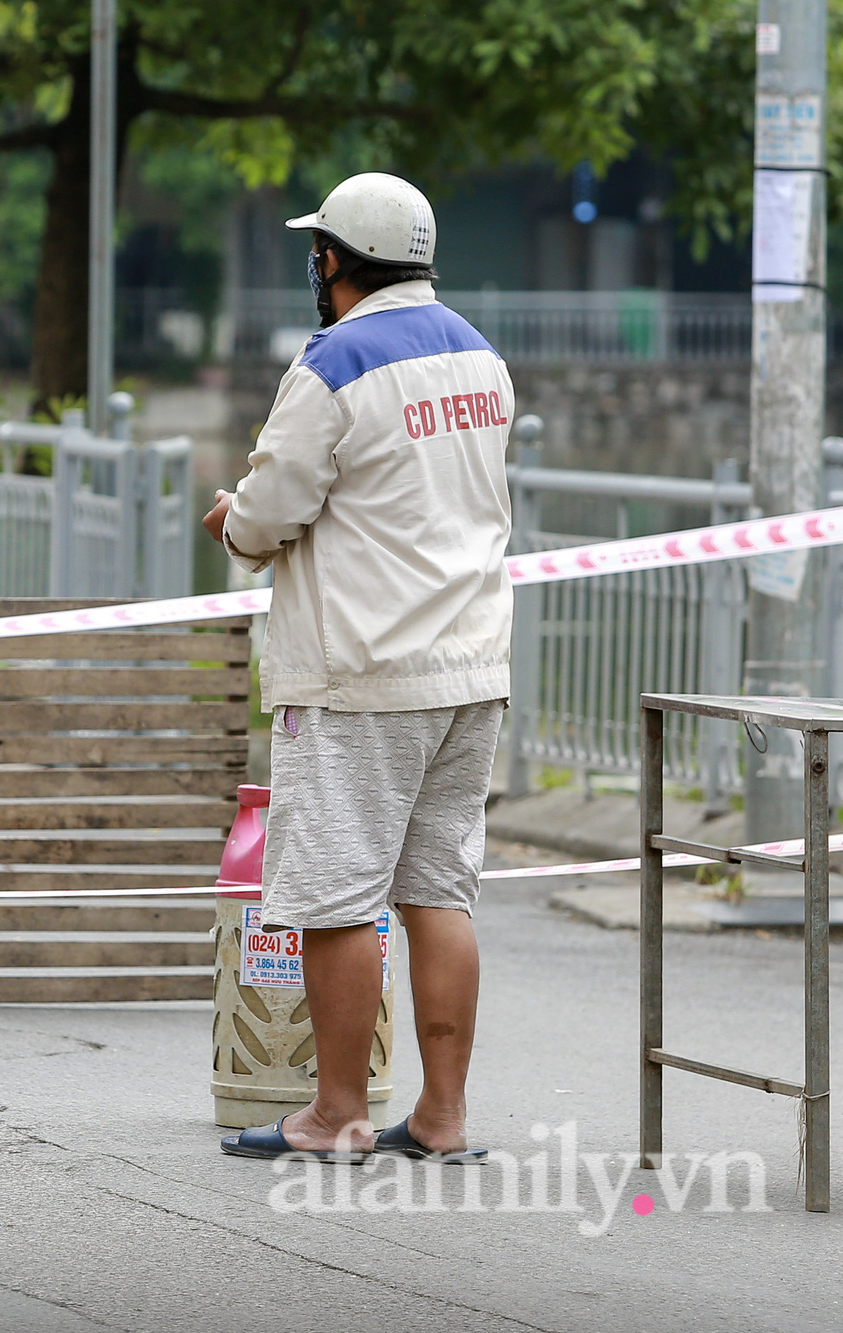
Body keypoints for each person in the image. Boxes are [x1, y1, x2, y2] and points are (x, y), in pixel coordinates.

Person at [206, 173, 512, 1166]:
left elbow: (265, 512)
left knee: (336, 896)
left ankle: (334, 1114)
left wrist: (230, 521)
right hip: (467, 670)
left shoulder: (333, 361)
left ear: (331, 260)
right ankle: (442, 1115)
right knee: (437, 892)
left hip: (358, 674)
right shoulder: (480, 356)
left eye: (316, 253)